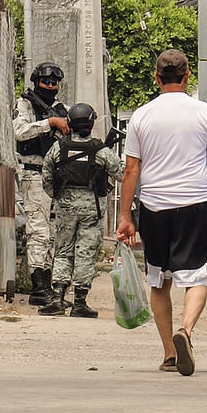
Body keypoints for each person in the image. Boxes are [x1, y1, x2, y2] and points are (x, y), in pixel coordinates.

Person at [115, 49, 207, 376]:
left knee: (159, 281)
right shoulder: (204, 113)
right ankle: (185, 329)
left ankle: (170, 353)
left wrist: (126, 216)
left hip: (153, 208)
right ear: (187, 77)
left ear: (156, 79)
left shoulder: (141, 116)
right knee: (199, 275)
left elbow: (131, 170)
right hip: (194, 206)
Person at [39, 103, 124, 317]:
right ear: (91, 123)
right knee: (85, 253)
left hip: (65, 206)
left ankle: (57, 298)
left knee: (63, 250)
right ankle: (79, 303)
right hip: (92, 207)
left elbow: (46, 175)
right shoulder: (100, 149)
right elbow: (121, 173)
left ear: (70, 123)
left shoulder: (59, 147)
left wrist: (57, 196)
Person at [14, 61, 71, 306]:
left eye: (54, 82)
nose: (50, 86)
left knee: (54, 234)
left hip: (55, 176)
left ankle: (48, 286)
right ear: (36, 81)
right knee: (39, 232)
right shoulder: (24, 104)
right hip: (33, 173)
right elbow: (20, 132)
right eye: (46, 81)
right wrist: (50, 124)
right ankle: (38, 288)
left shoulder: (61, 108)